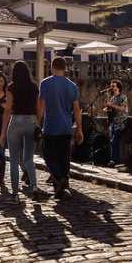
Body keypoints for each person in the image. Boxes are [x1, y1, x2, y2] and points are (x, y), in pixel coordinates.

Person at [38, 57, 84, 199]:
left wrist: (37, 122)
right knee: (64, 156)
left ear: (52, 67)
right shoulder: (72, 86)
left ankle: (58, 178)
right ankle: (63, 181)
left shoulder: (45, 83)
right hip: (66, 126)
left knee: (48, 155)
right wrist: (79, 129)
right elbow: (77, 110)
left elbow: (41, 105)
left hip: (51, 126)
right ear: (65, 68)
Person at [0, 61, 39, 204]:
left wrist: (3, 132)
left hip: (16, 121)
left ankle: (15, 194)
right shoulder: (34, 87)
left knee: (14, 160)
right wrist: (38, 123)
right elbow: (37, 107)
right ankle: (34, 187)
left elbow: (8, 109)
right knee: (29, 158)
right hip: (31, 121)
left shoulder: (11, 87)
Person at [104, 79, 128, 167]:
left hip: (121, 121)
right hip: (113, 122)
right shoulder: (112, 98)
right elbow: (110, 109)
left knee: (114, 140)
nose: (111, 88)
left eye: (113, 86)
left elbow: (122, 109)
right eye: (111, 86)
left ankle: (114, 161)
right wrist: (107, 108)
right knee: (111, 141)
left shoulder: (123, 97)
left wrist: (111, 105)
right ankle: (113, 160)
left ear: (118, 88)